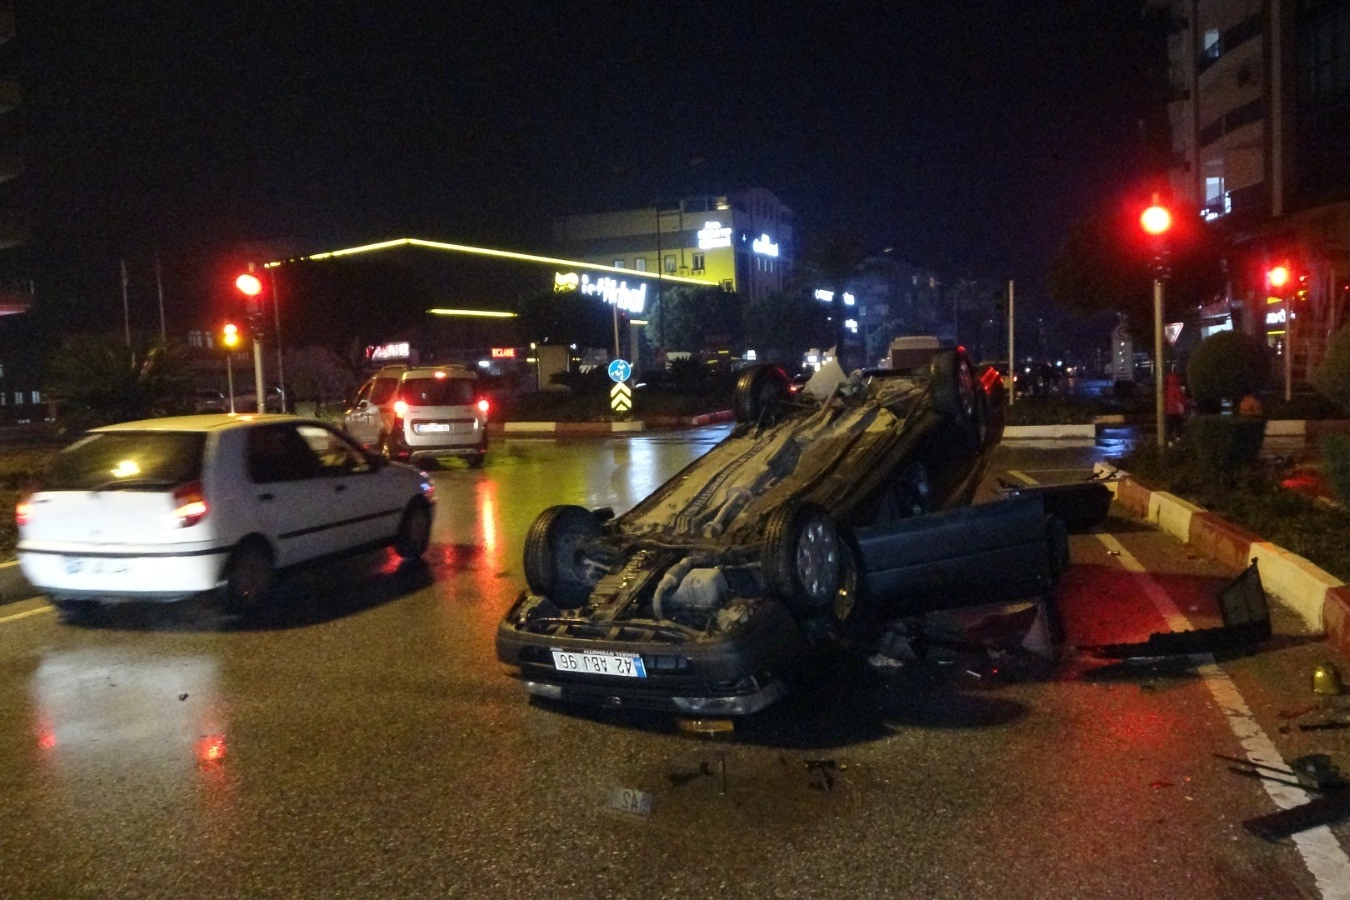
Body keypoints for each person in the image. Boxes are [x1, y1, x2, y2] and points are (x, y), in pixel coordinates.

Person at [1164, 371, 1187, 443]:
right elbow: (1180, 399)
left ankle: (1170, 441)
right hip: (1176, 411)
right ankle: (1178, 438)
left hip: (1169, 411)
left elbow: (1165, 399)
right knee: (1177, 425)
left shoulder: (1167, 389)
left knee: (1170, 426)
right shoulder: (1178, 388)